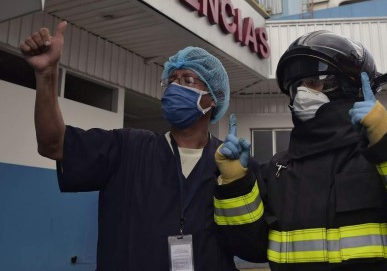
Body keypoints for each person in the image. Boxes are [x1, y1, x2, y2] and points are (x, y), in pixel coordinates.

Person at [213, 30, 387, 271]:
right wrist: (235, 184)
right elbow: (249, 249)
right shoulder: (278, 169)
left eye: (313, 82)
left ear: (352, 86)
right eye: (295, 87)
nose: (301, 95)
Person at [20, 20, 238, 271]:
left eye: (188, 80)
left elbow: (251, 244)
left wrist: (239, 180)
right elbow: (52, 144)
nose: (176, 87)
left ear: (215, 97)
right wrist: (47, 76)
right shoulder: (127, 148)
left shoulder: (231, 165)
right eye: (171, 80)